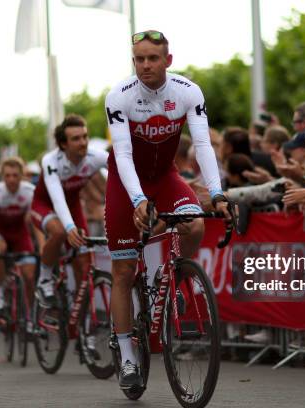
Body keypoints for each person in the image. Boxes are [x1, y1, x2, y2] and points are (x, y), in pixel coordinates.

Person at [104, 29, 231, 389]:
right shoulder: (120, 96)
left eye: (153, 58)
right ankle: (128, 354)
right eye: (139, 59)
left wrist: (217, 192)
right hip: (125, 181)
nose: (145, 65)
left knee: (193, 225)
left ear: (168, 60)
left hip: (165, 176)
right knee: (125, 269)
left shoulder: (187, 91)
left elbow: (203, 143)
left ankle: (175, 276)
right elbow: (124, 154)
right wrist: (137, 200)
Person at [30, 114, 108, 309]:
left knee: (84, 267)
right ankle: (45, 280)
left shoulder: (95, 157)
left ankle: (81, 321)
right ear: (63, 144)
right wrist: (70, 226)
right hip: (44, 205)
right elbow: (57, 198)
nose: (83, 142)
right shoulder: (51, 160)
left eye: (85, 136)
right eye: (76, 139)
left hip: (73, 207)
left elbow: (124, 171)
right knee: (59, 231)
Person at [0, 157, 37, 326]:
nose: (11, 179)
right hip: (0, 234)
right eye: (7, 176)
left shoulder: (30, 191)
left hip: (20, 234)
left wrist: (42, 244)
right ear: (2, 176)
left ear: (22, 176)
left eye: (15, 175)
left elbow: (35, 222)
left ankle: (29, 316)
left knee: (29, 276)